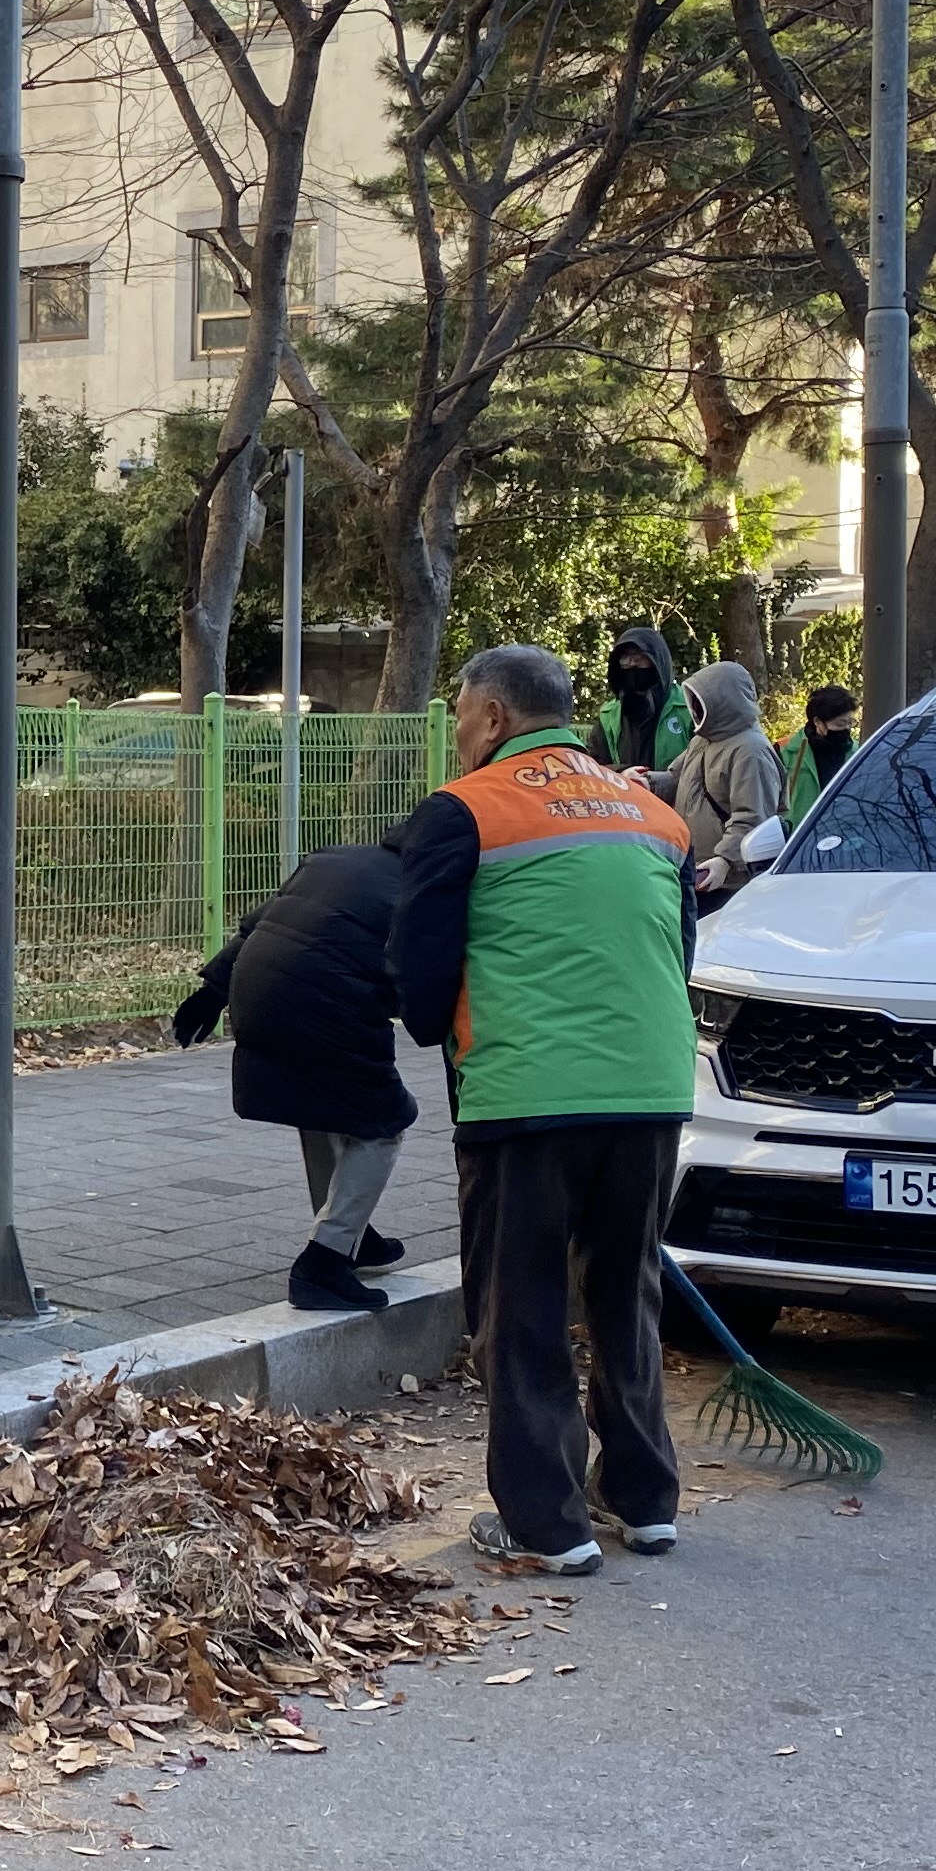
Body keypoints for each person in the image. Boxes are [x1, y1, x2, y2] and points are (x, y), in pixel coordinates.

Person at [388, 641, 694, 1575]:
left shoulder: (464, 811)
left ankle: (545, 1523)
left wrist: (447, 1039)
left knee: (519, 1312)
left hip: (528, 1098)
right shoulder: (652, 812)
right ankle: (643, 1501)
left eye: (457, 714)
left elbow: (420, 973)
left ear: (491, 717)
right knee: (624, 1296)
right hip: (650, 1093)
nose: (454, 732)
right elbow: (674, 949)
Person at [169, 843, 414, 1314]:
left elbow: (262, 923)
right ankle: (324, 1262)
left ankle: (349, 1236)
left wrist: (212, 989)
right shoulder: (428, 885)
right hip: (327, 1005)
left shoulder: (334, 859)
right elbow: (427, 969)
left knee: (318, 1105)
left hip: (258, 989)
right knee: (384, 1124)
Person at [667, 661, 782, 907]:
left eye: (701, 700)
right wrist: (644, 783)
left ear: (723, 701)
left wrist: (725, 860)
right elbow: (678, 778)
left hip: (730, 884)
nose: (695, 708)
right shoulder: (703, 740)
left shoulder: (750, 751)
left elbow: (754, 817)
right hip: (696, 871)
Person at [588, 624, 690, 777]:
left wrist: (660, 782)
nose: (633, 663)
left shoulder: (688, 707)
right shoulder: (609, 716)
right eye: (626, 658)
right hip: (627, 797)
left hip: (677, 799)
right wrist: (622, 773)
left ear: (657, 659)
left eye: (640, 657)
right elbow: (592, 764)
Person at [781, 683, 859, 818]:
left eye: (851, 723)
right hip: (800, 836)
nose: (847, 729)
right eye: (840, 724)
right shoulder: (787, 752)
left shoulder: (858, 753)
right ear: (817, 721)